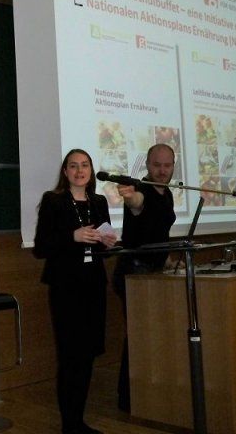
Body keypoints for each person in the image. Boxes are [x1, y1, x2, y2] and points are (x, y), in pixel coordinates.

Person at [33, 148, 118, 434]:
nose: (79, 171)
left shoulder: (99, 201)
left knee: (88, 355)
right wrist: (73, 236)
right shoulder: (53, 201)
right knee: (71, 356)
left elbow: (102, 248)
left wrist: (108, 244)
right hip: (66, 288)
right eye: (73, 166)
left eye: (84, 165)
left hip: (93, 285)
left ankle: (78, 421)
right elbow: (41, 247)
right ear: (65, 172)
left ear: (91, 171)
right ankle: (69, 424)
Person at [112, 143, 177, 413]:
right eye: (156, 165)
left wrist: (167, 258)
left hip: (153, 272)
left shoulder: (168, 193)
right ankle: (128, 398)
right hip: (134, 273)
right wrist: (129, 197)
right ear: (147, 165)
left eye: (167, 165)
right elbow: (137, 204)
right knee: (139, 335)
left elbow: (157, 231)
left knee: (150, 334)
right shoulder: (142, 190)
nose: (162, 171)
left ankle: (146, 392)